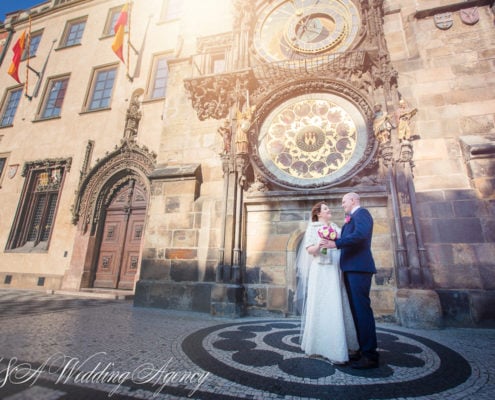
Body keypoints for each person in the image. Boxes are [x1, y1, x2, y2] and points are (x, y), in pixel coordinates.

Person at [297, 201, 359, 365]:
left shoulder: (336, 226)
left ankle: (340, 345)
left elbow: (343, 241)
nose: (329, 210)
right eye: (325, 209)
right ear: (318, 213)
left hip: (334, 269)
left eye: (328, 208)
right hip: (320, 269)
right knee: (321, 303)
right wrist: (319, 244)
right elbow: (309, 249)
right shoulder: (313, 228)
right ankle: (319, 346)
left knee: (335, 303)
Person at [328, 192, 380, 369]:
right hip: (351, 268)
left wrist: (337, 243)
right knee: (356, 312)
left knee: (362, 311)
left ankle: (370, 355)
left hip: (359, 268)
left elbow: (360, 236)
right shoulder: (352, 216)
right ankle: (362, 349)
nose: (342, 205)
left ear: (353, 200)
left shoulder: (362, 213)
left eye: (344, 202)